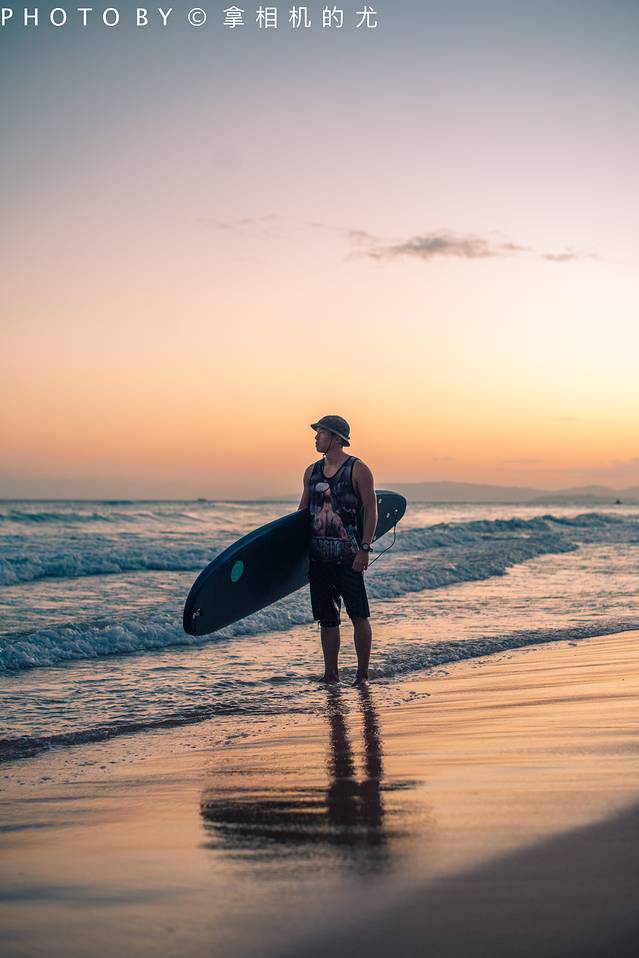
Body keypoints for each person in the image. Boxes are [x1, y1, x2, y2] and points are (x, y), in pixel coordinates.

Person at [297, 415, 378, 685]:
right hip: (319, 558)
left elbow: (371, 511)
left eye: (320, 433)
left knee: (358, 615)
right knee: (327, 619)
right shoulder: (312, 471)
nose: (316, 437)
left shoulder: (358, 469)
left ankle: (361, 675)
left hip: (349, 556)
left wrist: (364, 549)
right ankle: (331, 674)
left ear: (335, 438)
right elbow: (302, 513)